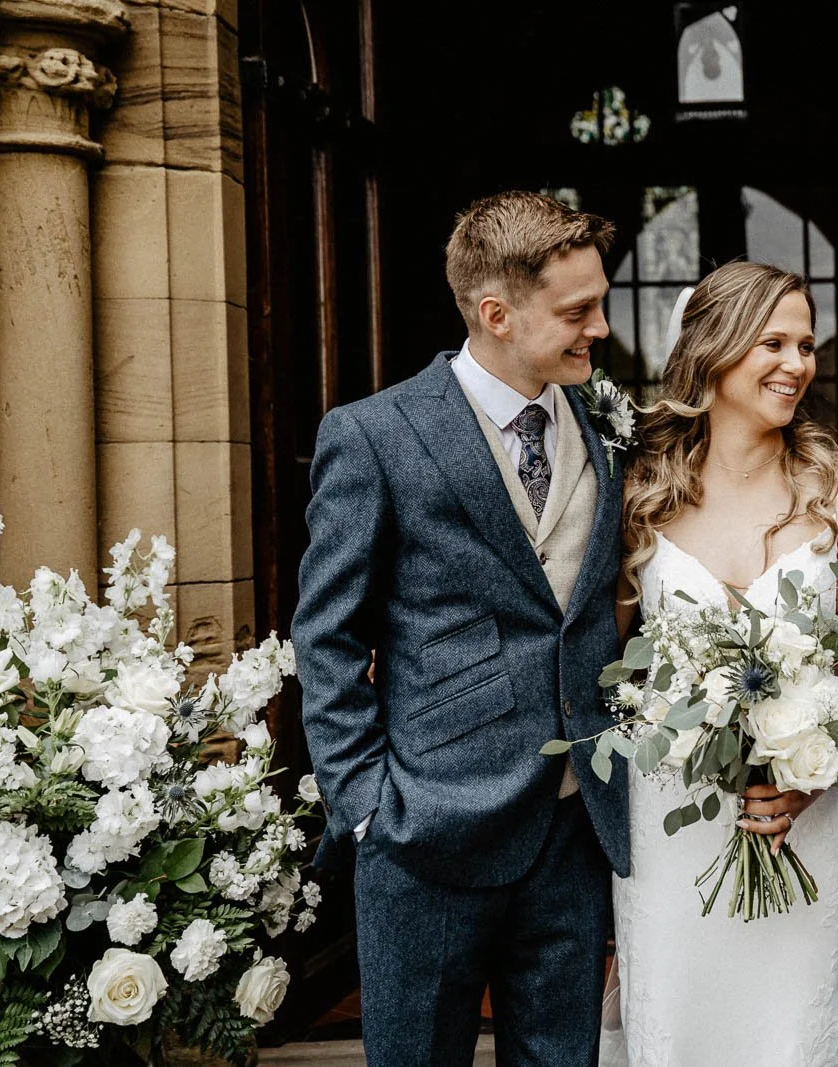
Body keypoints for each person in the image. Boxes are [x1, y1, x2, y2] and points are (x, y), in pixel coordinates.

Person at [292, 191, 630, 1066]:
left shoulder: (601, 428)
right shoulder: (373, 435)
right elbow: (326, 636)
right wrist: (366, 806)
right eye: (578, 310)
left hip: (573, 825)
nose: (602, 324)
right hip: (426, 827)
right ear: (496, 314)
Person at [610, 261, 838, 1066]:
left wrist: (819, 767)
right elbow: (607, 664)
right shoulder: (642, 495)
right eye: (774, 341)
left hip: (804, 822)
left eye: (806, 344)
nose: (798, 363)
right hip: (673, 829)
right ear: (714, 349)